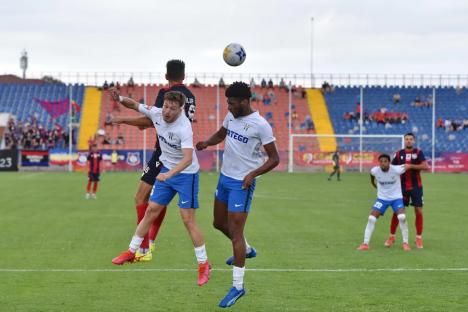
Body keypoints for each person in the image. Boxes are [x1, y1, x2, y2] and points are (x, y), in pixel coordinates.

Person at [110, 90, 211, 286]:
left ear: (180, 109)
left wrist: (168, 175)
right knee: (150, 212)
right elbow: (135, 105)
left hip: (185, 175)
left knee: (188, 220)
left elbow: (188, 158)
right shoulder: (157, 113)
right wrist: (120, 99)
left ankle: (204, 265)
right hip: (166, 170)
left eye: (172, 109)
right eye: (166, 106)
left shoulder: (184, 127)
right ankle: (131, 252)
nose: (167, 111)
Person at [196, 82, 279, 308]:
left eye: (232, 103)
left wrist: (253, 174)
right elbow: (221, 133)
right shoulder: (231, 116)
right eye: (227, 102)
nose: (228, 106)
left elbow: (274, 159)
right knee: (218, 223)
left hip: (242, 183)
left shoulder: (260, 125)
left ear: (244, 101)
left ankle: (238, 287)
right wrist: (206, 143)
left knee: (235, 233)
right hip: (224, 178)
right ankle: (248, 249)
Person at [110, 60, 196, 261]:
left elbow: (152, 120)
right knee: (159, 199)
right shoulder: (190, 96)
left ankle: (144, 247)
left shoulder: (167, 94)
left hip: (163, 151)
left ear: (166, 76)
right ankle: (150, 244)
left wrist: (124, 119)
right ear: (184, 76)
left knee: (141, 197)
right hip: (178, 150)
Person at [357, 154, 413, 251]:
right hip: (382, 199)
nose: (383, 163)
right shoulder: (375, 170)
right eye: (381, 161)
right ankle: (365, 244)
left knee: (402, 217)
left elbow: (408, 166)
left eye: (385, 161)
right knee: (371, 218)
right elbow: (372, 175)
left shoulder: (396, 169)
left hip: (396, 198)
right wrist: (373, 184)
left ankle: (406, 243)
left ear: (389, 162)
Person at [385, 133, 429, 249]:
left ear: (413, 141)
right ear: (404, 141)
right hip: (401, 188)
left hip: (416, 187)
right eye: (407, 139)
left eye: (411, 139)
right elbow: (391, 168)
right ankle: (392, 236)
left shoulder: (418, 152)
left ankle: (418, 238)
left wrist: (410, 166)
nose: (409, 141)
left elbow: (425, 166)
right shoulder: (399, 154)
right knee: (398, 211)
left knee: (418, 211)